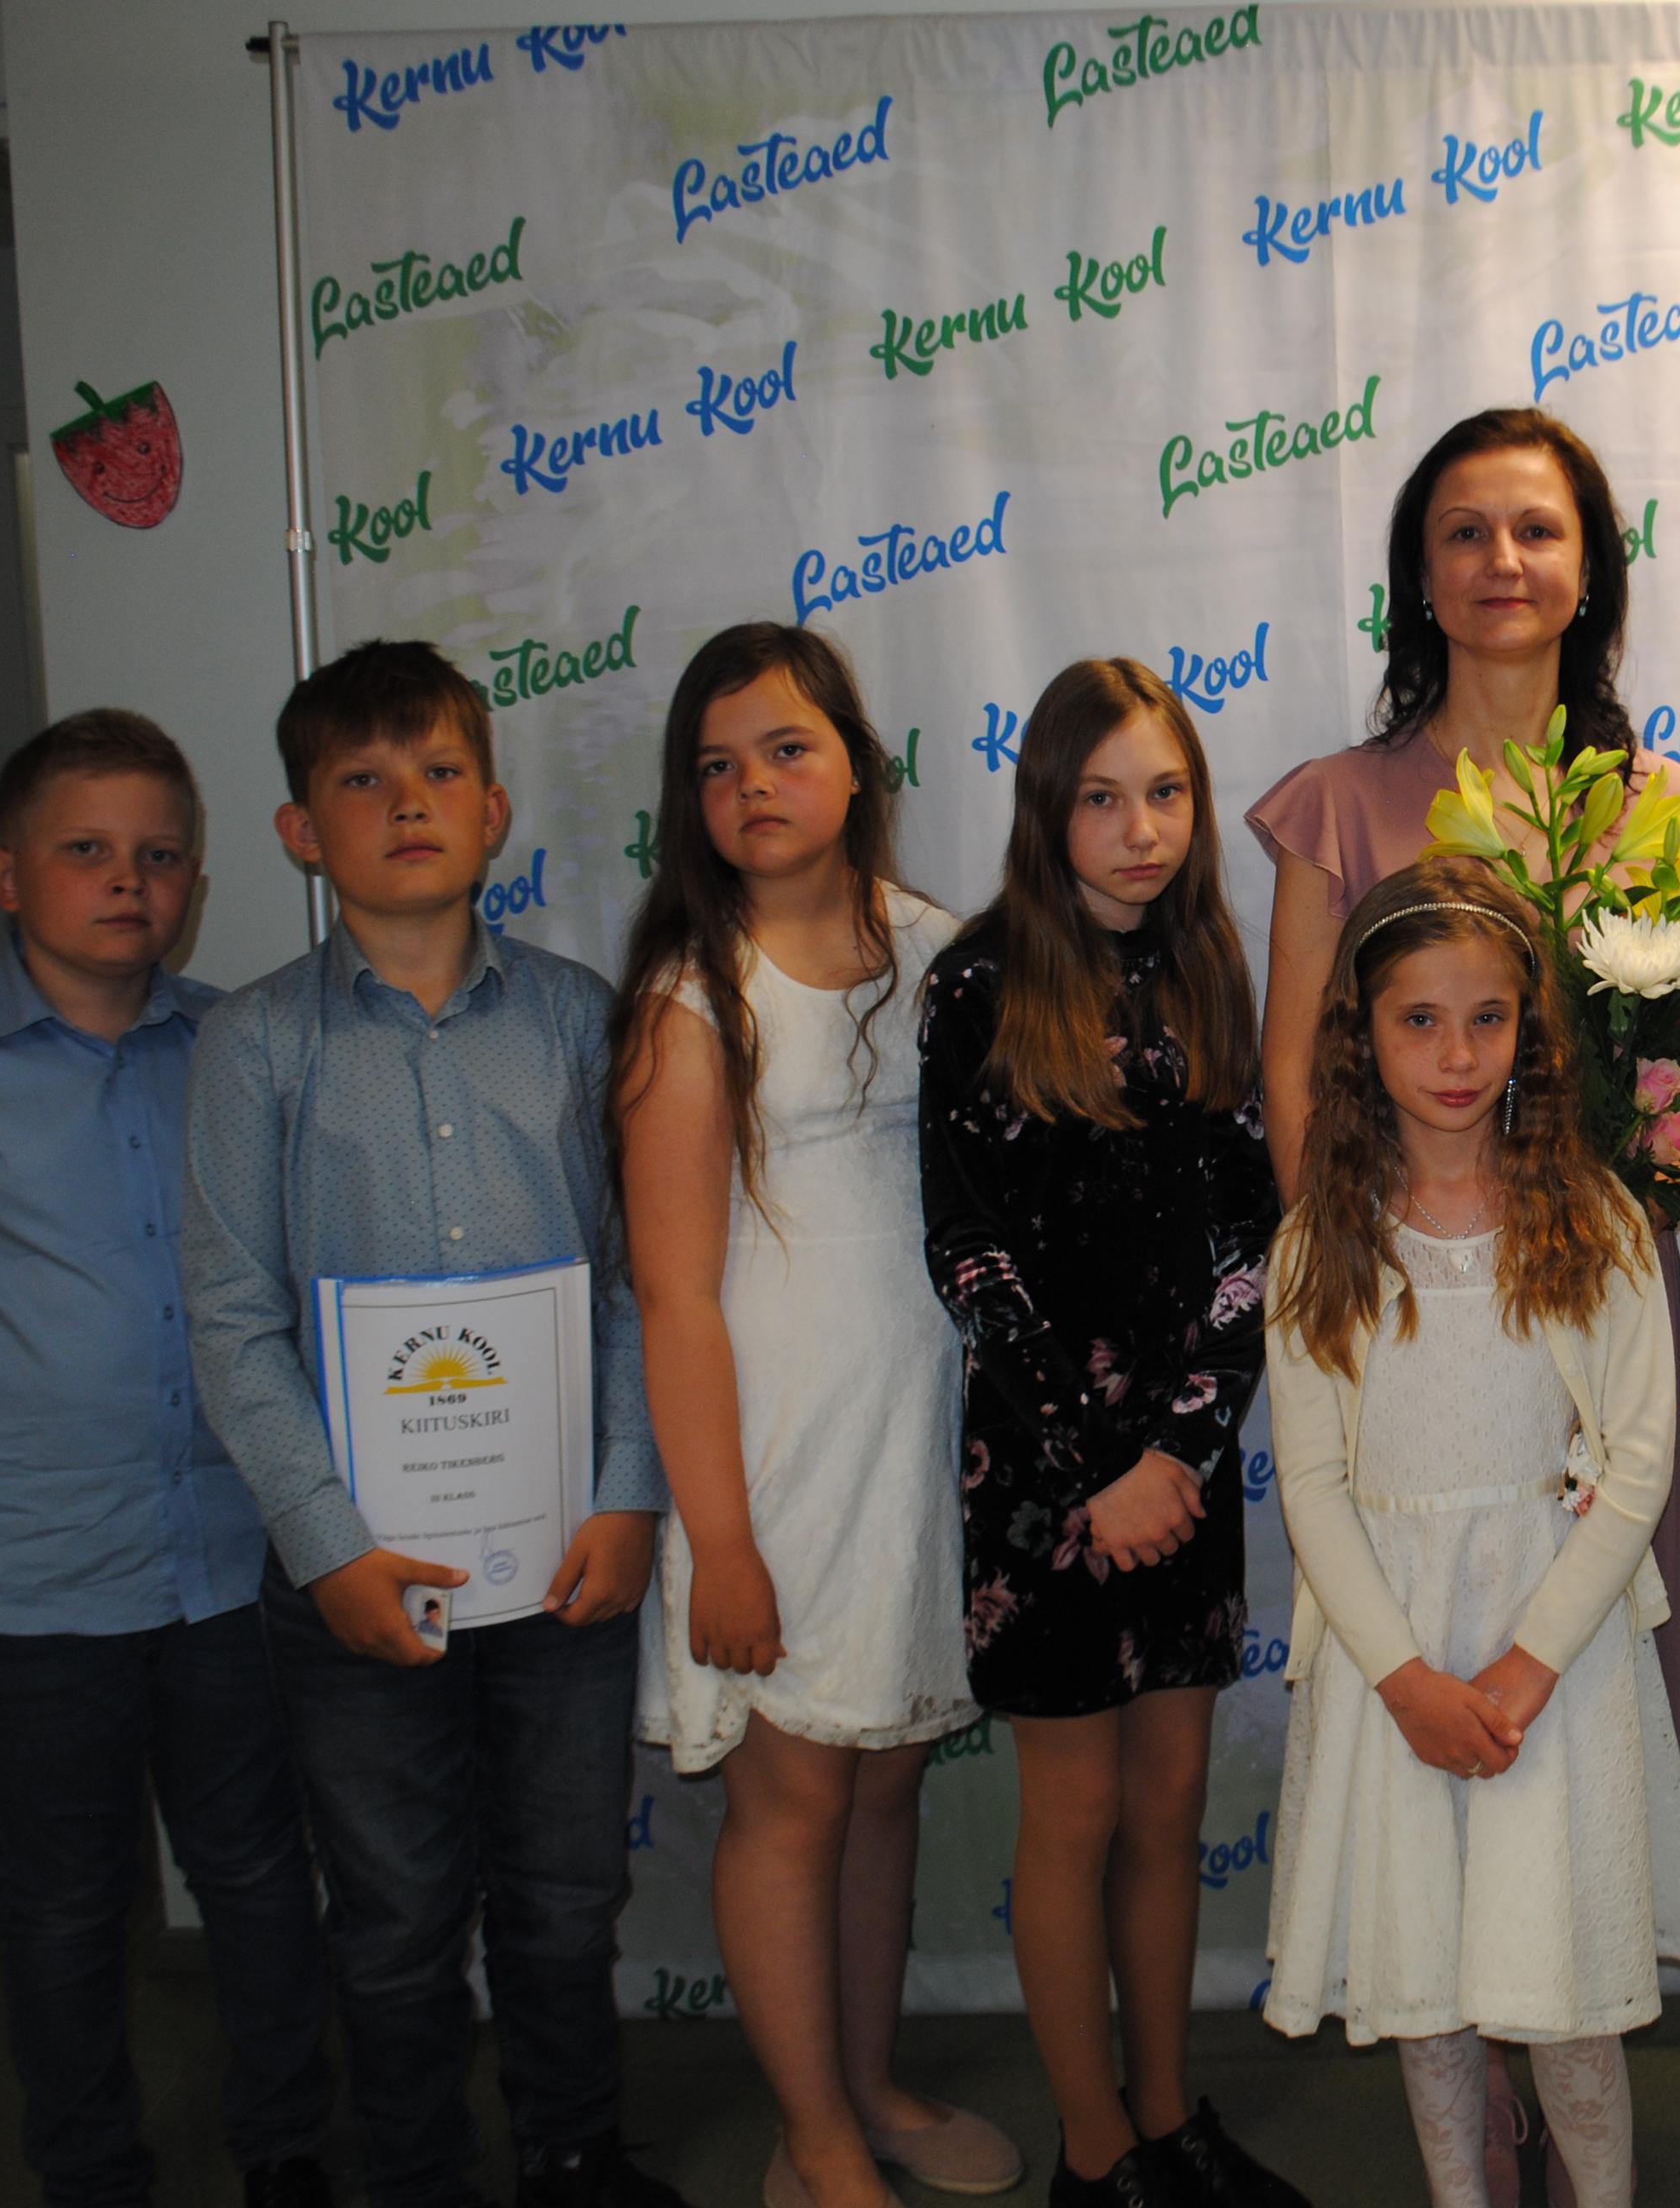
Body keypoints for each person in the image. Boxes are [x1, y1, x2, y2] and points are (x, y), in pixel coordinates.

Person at [1246, 419, 1680, 2152]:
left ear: (1590, 565)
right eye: (1462, 531)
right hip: (1406, 1334)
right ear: (1418, 572)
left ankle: (1563, 2071)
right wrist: (1383, 1277)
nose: (1501, 563)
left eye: (1536, 529)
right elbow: (1300, 1085)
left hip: (1585, 1359)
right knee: (1425, 1768)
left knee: (1573, 1735)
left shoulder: (1666, 816)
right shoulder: (1339, 804)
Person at [0, 710, 333, 2208]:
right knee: (64, 1903)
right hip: (33, 1580)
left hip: (228, 1559)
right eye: (87, 850)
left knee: (256, 1872)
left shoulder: (237, 1047)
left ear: (197, 882)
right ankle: (89, 2167)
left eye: (160, 856)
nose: (127, 881)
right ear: (5, 876)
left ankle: (286, 2144)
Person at [182, 641, 688, 2208]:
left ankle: (574, 2149)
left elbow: (639, 1283)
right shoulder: (255, 1045)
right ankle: (414, 2172)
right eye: (363, 779)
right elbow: (232, 1320)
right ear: (299, 830)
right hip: (355, 1579)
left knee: (566, 1893)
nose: (407, 804)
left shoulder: (580, 1021)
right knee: (395, 1912)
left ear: (495, 811)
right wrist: (326, 1547)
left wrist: (627, 1492)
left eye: (439, 774)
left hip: (565, 1567)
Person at [612, 624, 1020, 2208]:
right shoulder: (690, 1000)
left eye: (786, 749)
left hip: (921, 1451)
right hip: (776, 1469)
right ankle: (816, 2136)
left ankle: (867, 2085)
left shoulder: (947, 953)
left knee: (887, 1777)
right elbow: (674, 1300)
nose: (754, 787)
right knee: (793, 1803)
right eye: (717, 767)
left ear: (857, 763)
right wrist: (720, 1543)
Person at [1260, 858, 1680, 2208]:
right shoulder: (1320, 1244)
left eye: (1487, 1019)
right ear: (1363, 1034)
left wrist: (1528, 1664)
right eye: (1419, 1021)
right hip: (1391, 1660)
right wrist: (1404, 1679)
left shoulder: (1598, 1223)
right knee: (1429, 1988)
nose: (1457, 1057)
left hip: (1551, 1663)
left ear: (1531, 1031)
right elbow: (1313, 1486)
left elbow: (1640, 1465)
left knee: (1561, 1988)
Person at [917, 658, 1299, 2208]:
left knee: (1169, 1812)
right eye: (1102, 798)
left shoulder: (1210, 968)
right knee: (1072, 1821)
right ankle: (1094, 2149)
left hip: (1182, 1482)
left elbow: (1251, 1247)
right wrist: (1100, 1474)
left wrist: (1181, 1461)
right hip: (1050, 1488)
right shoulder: (981, 984)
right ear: (1046, 810)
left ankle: (1166, 2111)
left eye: (1166, 793)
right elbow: (970, 1255)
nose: (1142, 830)